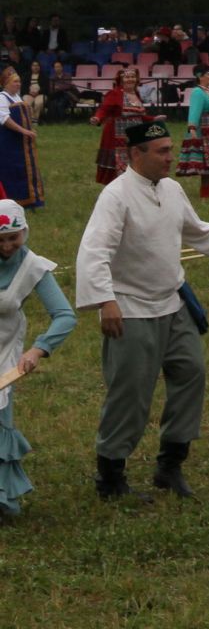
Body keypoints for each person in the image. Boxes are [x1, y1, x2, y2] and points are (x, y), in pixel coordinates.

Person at [74, 119, 209, 500]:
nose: (172, 157)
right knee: (131, 393)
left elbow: (200, 232)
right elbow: (93, 251)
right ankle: (111, 478)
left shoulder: (170, 188)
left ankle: (170, 465)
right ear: (136, 154)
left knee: (191, 372)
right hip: (131, 309)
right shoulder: (116, 196)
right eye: (162, 151)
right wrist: (106, 301)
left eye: (171, 148)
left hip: (173, 303)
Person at [0, 200, 76, 518]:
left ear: (25, 233)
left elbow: (64, 316)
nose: (6, 246)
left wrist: (38, 349)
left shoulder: (33, 266)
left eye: (14, 237)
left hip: (4, 352)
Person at [174, 65, 209, 202]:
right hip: (204, 133)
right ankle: (205, 194)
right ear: (199, 76)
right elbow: (195, 111)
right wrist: (192, 127)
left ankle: (207, 193)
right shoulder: (198, 92)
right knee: (205, 166)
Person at [90, 66, 147, 184]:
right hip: (117, 137)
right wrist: (97, 117)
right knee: (118, 169)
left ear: (137, 79)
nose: (130, 79)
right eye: (127, 77)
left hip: (135, 137)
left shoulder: (136, 94)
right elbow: (104, 109)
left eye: (132, 77)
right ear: (121, 80)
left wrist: (154, 119)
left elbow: (140, 116)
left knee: (136, 164)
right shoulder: (114, 94)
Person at [0, 69, 44, 209]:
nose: (19, 84)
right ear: (6, 83)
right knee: (12, 170)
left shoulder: (18, 98)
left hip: (22, 142)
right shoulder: (2, 98)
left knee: (25, 169)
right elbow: (4, 119)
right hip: (8, 141)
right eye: (15, 81)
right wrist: (23, 131)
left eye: (19, 81)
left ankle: (31, 200)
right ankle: (14, 202)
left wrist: (29, 129)